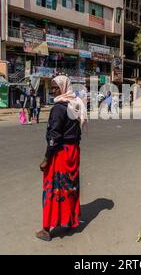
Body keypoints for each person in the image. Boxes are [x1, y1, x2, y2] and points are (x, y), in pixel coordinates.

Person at [36, 75, 88, 242]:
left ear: (64, 87)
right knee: (70, 187)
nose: (53, 91)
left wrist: (46, 158)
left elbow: (54, 136)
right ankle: (68, 220)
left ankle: (46, 229)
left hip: (60, 153)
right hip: (73, 152)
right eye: (52, 88)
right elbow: (77, 133)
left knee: (53, 188)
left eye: (56, 87)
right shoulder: (75, 104)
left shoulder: (59, 108)